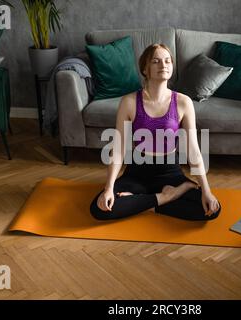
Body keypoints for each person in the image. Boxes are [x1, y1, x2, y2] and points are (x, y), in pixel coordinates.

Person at [89, 43, 221, 221]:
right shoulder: (129, 102)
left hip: (170, 173)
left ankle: (141, 203)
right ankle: (167, 197)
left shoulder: (183, 102)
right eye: (156, 61)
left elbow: (193, 150)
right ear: (145, 68)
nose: (163, 65)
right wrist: (109, 188)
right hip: (137, 173)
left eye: (167, 61)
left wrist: (207, 191)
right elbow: (118, 150)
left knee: (211, 209)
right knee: (99, 208)